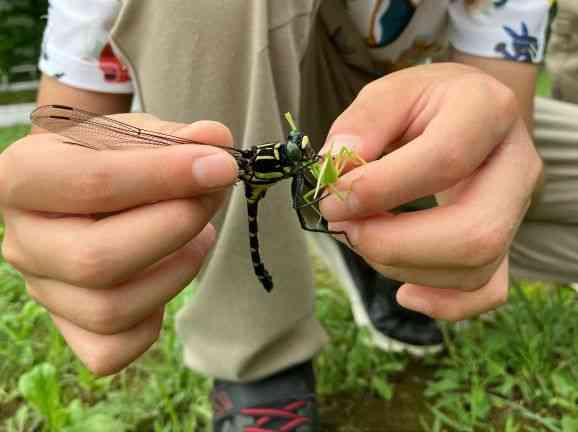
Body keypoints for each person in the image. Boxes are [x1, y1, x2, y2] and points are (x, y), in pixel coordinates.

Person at [0, 0, 563, 430]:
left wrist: (489, 148)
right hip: (238, 91)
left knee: (499, 187)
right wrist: (57, 211)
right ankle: (258, 361)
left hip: (402, 127)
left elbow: (508, 122)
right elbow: (68, 137)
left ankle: (372, 245)